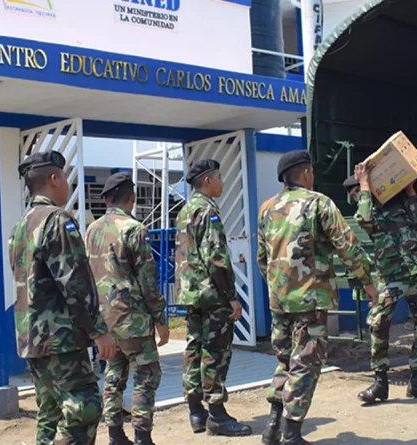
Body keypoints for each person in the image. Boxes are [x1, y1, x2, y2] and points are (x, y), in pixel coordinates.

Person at [257, 150, 378, 445]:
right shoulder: (318, 203)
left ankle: (272, 425)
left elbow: (263, 258)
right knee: (307, 363)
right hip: (310, 299)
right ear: (307, 173)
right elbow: (347, 246)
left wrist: (278, 288)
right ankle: (292, 432)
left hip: (280, 300)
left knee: (286, 360)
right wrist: (368, 282)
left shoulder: (267, 208)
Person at [7, 151, 117, 445]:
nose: (67, 184)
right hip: (61, 338)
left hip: (31, 337)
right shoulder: (56, 220)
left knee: (51, 412)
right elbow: (76, 282)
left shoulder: (21, 226)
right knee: (84, 408)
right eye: (65, 177)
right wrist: (98, 330)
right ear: (54, 179)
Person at [85, 172, 169, 445]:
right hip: (133, 321)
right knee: (146, 375)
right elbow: (148, 280)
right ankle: (143, 437)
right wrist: (160, 319)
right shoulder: (134, 229)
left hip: (104, 322)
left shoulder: (91, 230)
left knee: (113, 375)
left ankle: (115, 435)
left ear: (106, 199)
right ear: (132, 198)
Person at [342, 170, 417, 405]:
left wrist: (410, 191)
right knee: (378, 324)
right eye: (354, 194)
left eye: (358, 192)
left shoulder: (401, 202)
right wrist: (364, 186)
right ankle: (380, 383)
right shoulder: (367, 211)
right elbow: (363, 220)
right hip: (390, 276)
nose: (357, 197)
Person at [174, 159, 251, 437]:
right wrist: (231, 296)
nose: (222, 181)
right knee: (216, 352)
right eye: (219, 176)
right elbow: (216, 258)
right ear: (207, 180)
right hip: (211, 294)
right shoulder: (208, 211)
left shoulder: (185, 211)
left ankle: (196, 411)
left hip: (191, 294)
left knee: (194, 349)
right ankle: (216, 413)